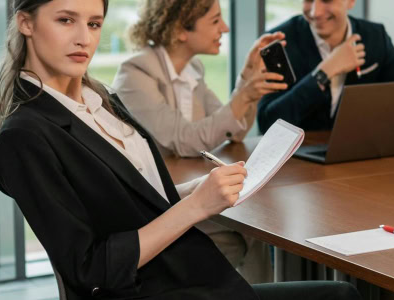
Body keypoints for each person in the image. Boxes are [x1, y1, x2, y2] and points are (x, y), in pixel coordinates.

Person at [0, 0, 361, 299]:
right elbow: (89, 270)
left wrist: (198, 188)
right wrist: (196, 206)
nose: (84, 39)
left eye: (93, 24)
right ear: (26, 22)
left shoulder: (100, 99)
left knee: (341, 293)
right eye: (66, 20)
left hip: (192, 279)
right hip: (156, 289)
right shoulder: (25, 136)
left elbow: (137, 198)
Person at [112, 0, 284, 283]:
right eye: (215, 21)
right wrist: (243, 95)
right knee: (247, 235)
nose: (225, 28)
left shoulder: (193, 70)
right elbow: (186, 140)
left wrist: (247, 79)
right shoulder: (135, 75)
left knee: (252, 234)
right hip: (157, 210)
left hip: (187, 194)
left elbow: (232, 130)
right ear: (181, 29)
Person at [257, 0, 394, 146]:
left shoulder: (376, 37)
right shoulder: (279, 42)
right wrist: (324, 72)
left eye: (327, 0)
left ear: (351, 1)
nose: (315, 12)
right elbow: (268, 123)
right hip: (297, 169)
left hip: (359, 161)